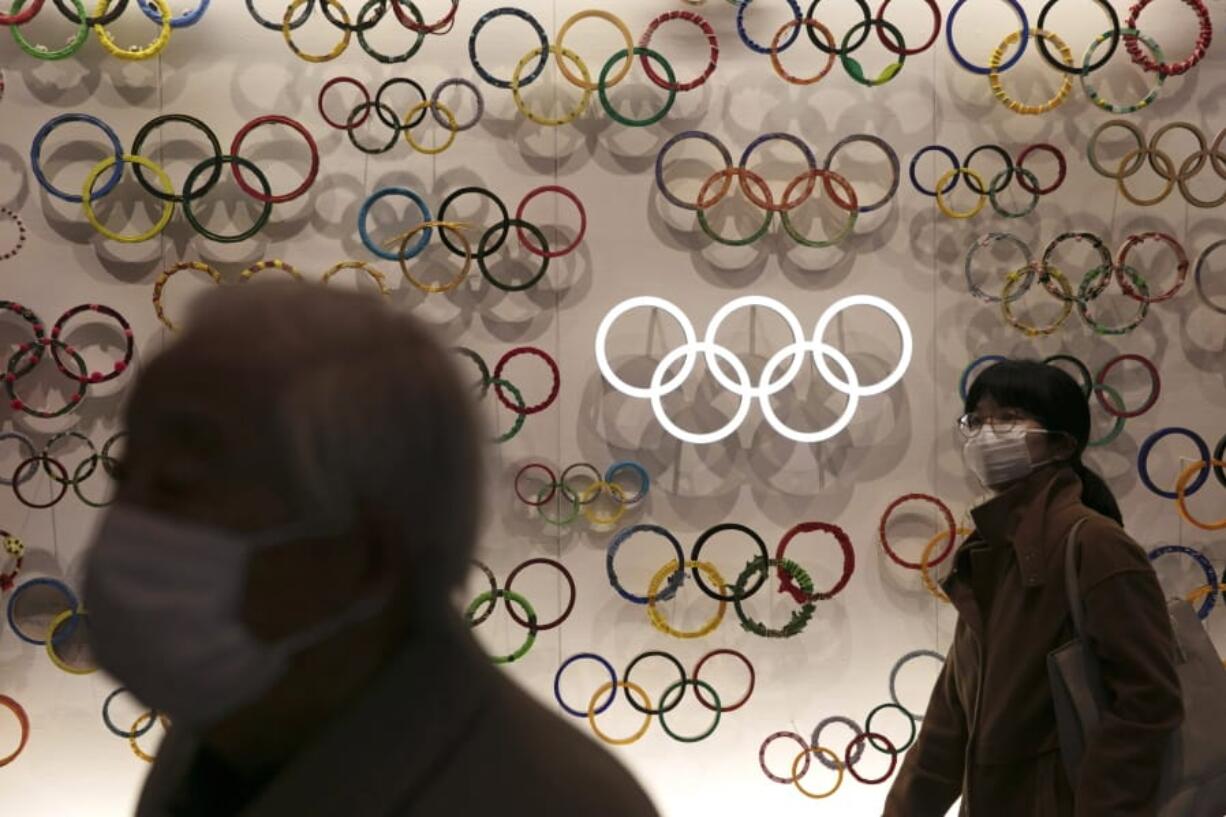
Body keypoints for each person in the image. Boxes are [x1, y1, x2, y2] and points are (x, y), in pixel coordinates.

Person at [83, 283, 659, 817]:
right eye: (125, 475)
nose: (127, 524)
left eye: (178, 487)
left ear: (363, 561)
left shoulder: (554, 803)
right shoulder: (219, 742)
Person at [884, 359, 1182, 817]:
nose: (987, 433)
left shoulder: (1094, 545)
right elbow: (949, 722)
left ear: (1062, 443)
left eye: (1007, 418)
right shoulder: (989, 552)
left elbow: (1149, 702)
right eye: (977, 419)